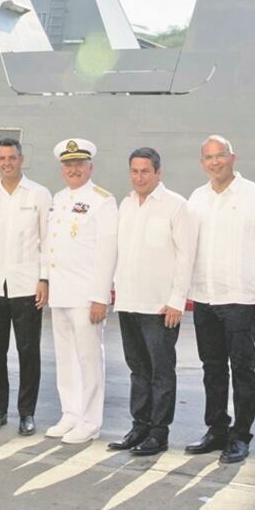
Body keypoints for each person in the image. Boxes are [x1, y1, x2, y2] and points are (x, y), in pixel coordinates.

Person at [185, 135, 255, 464]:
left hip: (241, 299)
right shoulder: (197, 199)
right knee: (211, 368)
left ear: (233, 158)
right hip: (204, 297)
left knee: (242, 368)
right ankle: (216, 429)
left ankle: (240, 436)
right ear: (202, 163)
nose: (215, 162)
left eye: (221, 155)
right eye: (209, 157)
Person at [107, 147, 195, 456]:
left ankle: (159, 433)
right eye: (134, 171)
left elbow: (186, 256)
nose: (139, 177)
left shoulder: (176, 206)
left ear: (158, 173)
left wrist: (176, 301)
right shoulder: (126, 204)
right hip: (129, 302)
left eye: (146, 171)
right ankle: (139, 426)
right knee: (137, 370)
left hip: (160, 307)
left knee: (161, 371)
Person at [0, 137, 51, 436]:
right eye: (2, 158)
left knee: (28, 352)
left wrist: (44, 278)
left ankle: (26, 413)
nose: (7, 163)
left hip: (27, 286)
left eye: (12, 158)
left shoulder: (39, 194)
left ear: (21, 159)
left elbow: (48, 241)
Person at [42, 138, 117, 444]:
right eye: (68, 164)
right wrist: (45, 281)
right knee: (65, 358)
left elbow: (108, 251)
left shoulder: (102, 201)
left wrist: (100, 296)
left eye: (79, 164)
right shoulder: (59, 198)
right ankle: (70, 412)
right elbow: (50, 245)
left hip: (86, 296)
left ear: (90, 166)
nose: (73, 169)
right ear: (63, 168)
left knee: (88, 359)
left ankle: (90, 420)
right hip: (60, 292)